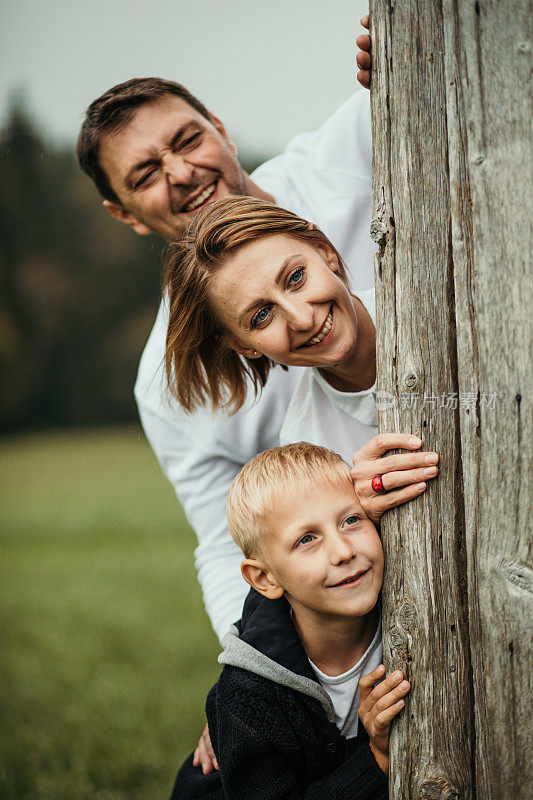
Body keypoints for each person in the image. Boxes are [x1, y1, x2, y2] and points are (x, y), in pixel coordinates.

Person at [76, 23, 375, 645]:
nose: (182, 172)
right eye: (145, 175)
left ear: (220, 128)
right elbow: (225, 543)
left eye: (188, 140)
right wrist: (258, 676)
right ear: (123, 214)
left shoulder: (353, 152)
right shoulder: (169, 382)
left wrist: (408, 53)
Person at [164, 196, 439, 524]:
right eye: (262, 315)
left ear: (325, 250)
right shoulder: (306, 441)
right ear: (243, 345)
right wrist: (363, 518)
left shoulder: (440, 306)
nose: (303, 318)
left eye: (295, 277)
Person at [170, 442, 411, 799]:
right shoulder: (245, 698)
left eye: (351, 520)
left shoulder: (413, 619)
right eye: (307, 539)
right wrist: (375, 755)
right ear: (265, 579)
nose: (344, 552)